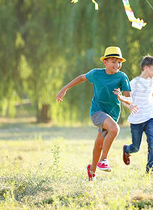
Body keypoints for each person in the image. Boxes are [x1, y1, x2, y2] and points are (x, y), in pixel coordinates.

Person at [56, 46, 133, 181]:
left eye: (119, 62)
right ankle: (103, 160)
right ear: (105, 62)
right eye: (113, 61)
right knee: (115, 129)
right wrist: (64, 89)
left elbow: (129, 97)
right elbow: (81, 78)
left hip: (112, 114)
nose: (117, 65)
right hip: (97, 112)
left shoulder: (122, 76)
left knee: (99, 145)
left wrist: (122, 98)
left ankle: (91, 171)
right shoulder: (96, 74)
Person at [116, 55, 153, 174]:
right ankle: (127, 149)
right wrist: (130, 106)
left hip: (150, 116)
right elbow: (125, 99)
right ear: (146, 68)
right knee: (136, 147)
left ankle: (150, 170)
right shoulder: (134, 83)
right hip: (137, 119)